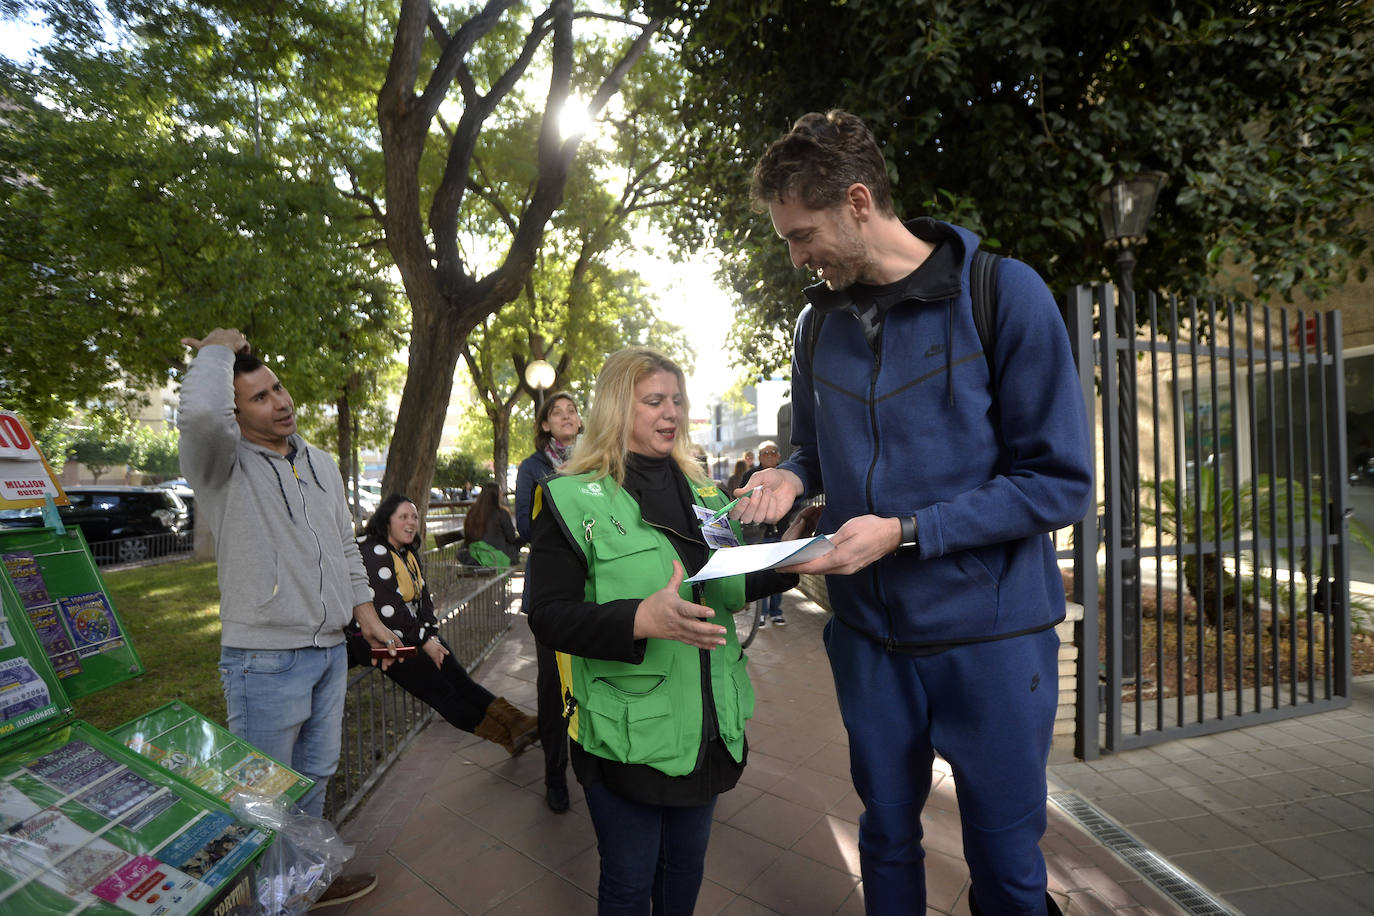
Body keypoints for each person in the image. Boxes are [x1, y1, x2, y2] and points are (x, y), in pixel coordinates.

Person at [736, 111, 1093, 915]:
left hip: (993, 641)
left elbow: (1060, 483)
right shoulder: (812, 323)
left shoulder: (1003, 293)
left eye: (802, 234)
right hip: (869, 641)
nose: (795, 257)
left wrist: (907, 531)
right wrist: (791, 479)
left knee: (1004, 866)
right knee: (885, 838)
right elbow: (814, 452)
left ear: (859, 201)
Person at [527, 347, 798, 915]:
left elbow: (727, 585)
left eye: (676, 399)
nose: (669, 412)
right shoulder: (570, 499)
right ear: (616, 409)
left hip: (706, 727)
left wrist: (794, 561)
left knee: (684, 873)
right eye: (653, 400)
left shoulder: (705, 494)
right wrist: (639, 620)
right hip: (626, 736)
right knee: (628, 883)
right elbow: (547, 615)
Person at [178, 327, 402, 909]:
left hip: (330, 647)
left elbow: (345, 546)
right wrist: (217, 348)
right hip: (265, 659)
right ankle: (268, 904)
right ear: (235, 413)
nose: (280, 402)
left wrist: (366, 614)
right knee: (261, 797)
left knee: (313, 780)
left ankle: (303, 886)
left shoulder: (319, 461)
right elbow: (200, 416)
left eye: (278, 388)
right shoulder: (220, 463)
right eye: (259, 397)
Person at [345, 493, 538, 755]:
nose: (411, 522)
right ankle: (507, 735)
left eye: (414, 516)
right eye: (403, 516)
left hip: (413, 632)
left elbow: (424, 601)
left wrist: (432, 637)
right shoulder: (373, 551)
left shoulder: (406, 552)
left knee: (460, 681)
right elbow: (390, 611)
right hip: (386, 641)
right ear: (386, 520)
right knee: (445, 695)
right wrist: (425, 641)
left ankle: (516, 723)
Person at [514, 392, 583, 813]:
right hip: (553, 590)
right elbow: (525, 526)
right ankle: (555, 775)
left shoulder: (599, 460)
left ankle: (596, 768)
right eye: (556, 412)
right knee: (553, 686)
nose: (565, 416)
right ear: (544, 424)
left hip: (594, 588)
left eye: (571, 410)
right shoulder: (534, 468)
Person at [738, 441, 789, 627]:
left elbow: (799, 500)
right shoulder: (751, 475)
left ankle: (776, 611)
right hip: (758, 533)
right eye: (765, 452)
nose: (769, 455)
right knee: (761, 572)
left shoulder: (787, 475)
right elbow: (742, 499)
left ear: (778, 456)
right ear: (759, 456)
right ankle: (762, 612)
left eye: (773, 452)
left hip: (781, 532)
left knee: (779, 571)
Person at [462, 483, 522, 565]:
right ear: (496, 495)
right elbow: (511, 538)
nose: (502, 494)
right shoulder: (501, 513)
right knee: (525, 537)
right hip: (496, 557)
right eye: (500, 492)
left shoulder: (472, 512)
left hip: (475, 557)